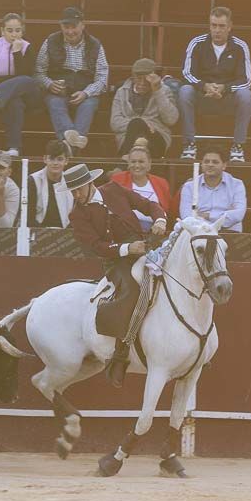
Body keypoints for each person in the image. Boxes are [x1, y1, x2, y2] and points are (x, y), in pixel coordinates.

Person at [64, 161, 167, 387]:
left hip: (144, 247)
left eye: (79, 188)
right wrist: (127, 249)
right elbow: (95, 246)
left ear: (90, 183)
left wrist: (159, 218)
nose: (76, 194)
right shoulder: (77, 215)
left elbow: (147, 205)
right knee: (131, 292)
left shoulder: (114, 190)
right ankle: (120, 354)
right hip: (116, 261)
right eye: (72, 191)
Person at [177, 6, 251, 163]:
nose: (217, 30)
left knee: (246, 95)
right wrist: (205, 86)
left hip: (227, 98)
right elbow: (187, 73)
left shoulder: (240, 46)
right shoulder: (197, 43)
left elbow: (246, 80)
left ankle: (238, 146)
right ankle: (189, 144)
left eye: (221, 26)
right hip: (202, 96)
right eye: (214, 25)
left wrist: (224, 88)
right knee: (184, 91)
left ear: (230, 27)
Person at [35, 6, 109, 153]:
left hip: (85, 91)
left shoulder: (95, 45)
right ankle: (74, 143)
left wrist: (86, 93)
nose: (70, 31)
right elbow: (38, 71)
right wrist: (49, 84)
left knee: (88, 105)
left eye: (73, 26)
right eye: (65, 27)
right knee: (55, 103)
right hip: (58, 92)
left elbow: (102, 78)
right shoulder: (50, 41)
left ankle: (68, 147)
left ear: (83, 25)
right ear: (60, 26)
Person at [0, 12, 39, 157]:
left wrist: (17, 53)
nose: (14, 35)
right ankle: (14, 147)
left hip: (28, 95)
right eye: (9, 31)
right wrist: (10, 86)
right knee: (14, 102)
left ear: (22, 31)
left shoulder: (27, 47)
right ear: (2, 31)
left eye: (18, 30)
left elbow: (27, 75)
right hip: (11, 98)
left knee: (27, 80)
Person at [110, 57, 177, 159]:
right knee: (137, 126)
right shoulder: (122, 92)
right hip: (127, 140)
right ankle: (127, 160)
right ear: (133, 77)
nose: (142, 83)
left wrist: (158, 92)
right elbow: (115, 123)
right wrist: (142, 123)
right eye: (138, 78)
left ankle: (121, 165)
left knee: (138, 126)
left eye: (146, 79)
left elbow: (171, 120)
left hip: (156, 138)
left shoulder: (164, 91)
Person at [179, 146, 247, 232]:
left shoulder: (237, 185)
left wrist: (207, 215)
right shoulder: (189, 186)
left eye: (215, 162)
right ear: (201, 164)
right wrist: (224, 215)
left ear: (224, 165)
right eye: (206, 162)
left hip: (229, 232)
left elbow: (238, 215)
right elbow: (187, 216)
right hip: (199, 232)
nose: (210, 165)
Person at [110, 145, 174, 231]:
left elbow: (169, 210)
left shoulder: (161, 183)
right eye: (133, 161)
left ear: (149, 163)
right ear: (128, 163)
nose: (137, 165)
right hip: (127, 229)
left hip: (156, 229)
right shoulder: (118, 180)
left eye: (141, 162)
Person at [25, 139, 72, 228]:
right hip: (38, 232)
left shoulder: (71, 181)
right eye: (51, 159)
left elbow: (75, 217)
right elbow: (29, 216)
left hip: (65, 234)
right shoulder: (32, 180)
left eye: (60, 159)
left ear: (66, 161)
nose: (55, 163)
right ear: (45, 159)